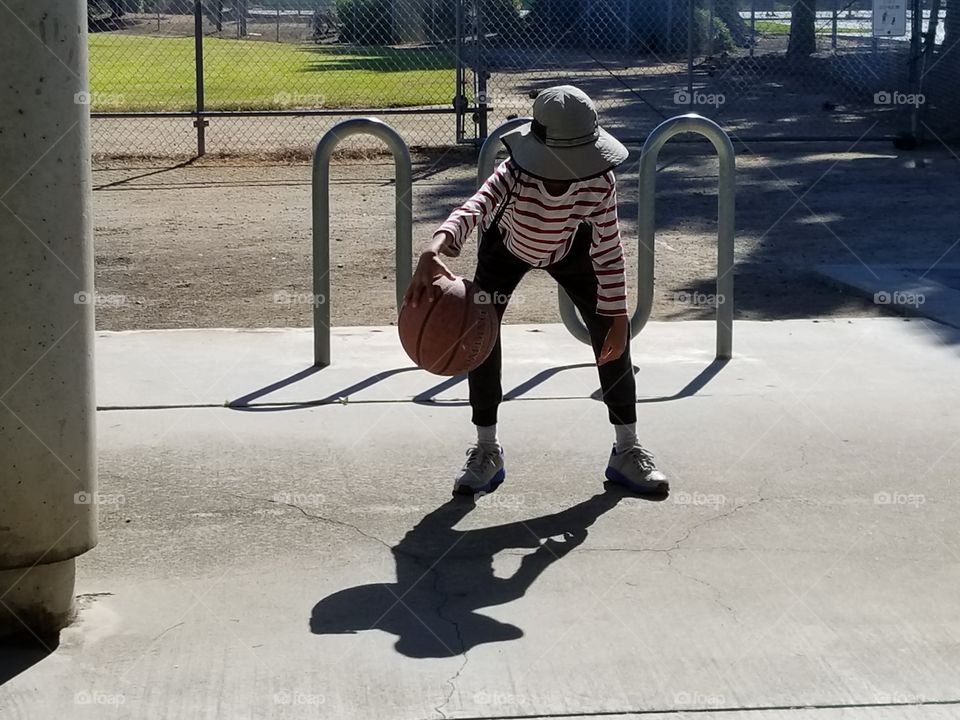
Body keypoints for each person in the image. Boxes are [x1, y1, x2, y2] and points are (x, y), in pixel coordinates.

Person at [405, 85, 668, 497]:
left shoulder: (600, 179)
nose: (570, 170)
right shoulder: (516, 172)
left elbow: (609, 251)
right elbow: (475, 206)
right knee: (478, 334)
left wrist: (617, 319)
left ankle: (626, 449)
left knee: (612, 337)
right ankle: (487, 450)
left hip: (569, 249)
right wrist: (435, 245)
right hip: (507, 247)